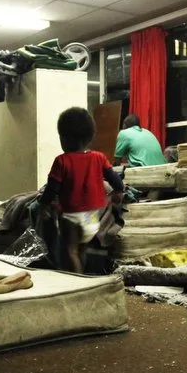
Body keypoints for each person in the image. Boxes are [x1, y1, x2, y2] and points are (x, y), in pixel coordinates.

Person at [39, 107, 124, 274]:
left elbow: (52, 188)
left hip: (72, 215)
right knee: (82, 251)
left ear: (64, 138)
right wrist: (118, 191)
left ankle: (76, 281)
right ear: (90, 136)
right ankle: (82, 275)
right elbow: (114, 178)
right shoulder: (99, 157)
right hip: (93, 216)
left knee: (70, 251)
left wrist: (44, 205)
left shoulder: (62, 161)